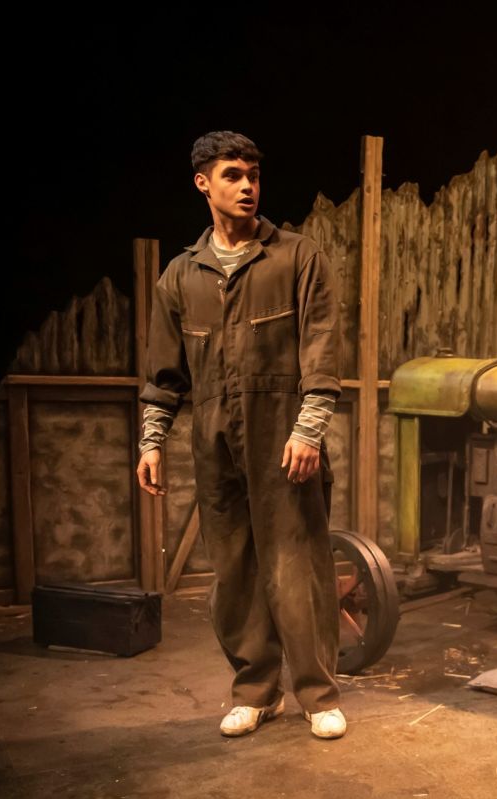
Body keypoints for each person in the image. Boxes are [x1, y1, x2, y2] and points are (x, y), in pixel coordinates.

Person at [135, 131, 347, 740]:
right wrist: (152, 441)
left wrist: (309, 429)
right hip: (213, 442)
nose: (248, 186)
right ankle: (256, 690)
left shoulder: (296, 257)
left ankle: (316, 693)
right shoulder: (182, 275)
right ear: (203, 183)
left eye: (253, 174)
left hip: (283, 439)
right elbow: (163, 372)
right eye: (232, 175)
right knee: (233, 568)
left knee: (298, 563)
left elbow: (322, 349)